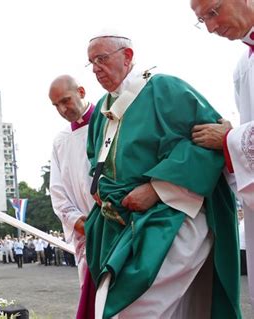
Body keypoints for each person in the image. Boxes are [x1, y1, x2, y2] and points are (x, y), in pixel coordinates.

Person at [77, 31, 240, 319]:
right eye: (91, 62)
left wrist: (157, 189)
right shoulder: (102, 110)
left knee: (133, 308)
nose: (96, 68)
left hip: (169, 216)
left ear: (127, 57)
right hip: (117, 221)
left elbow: (209, 143)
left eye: (101, 59)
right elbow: (96, 160)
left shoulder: (165, 89)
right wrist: (100, 186)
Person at [190, 0, 254, 307]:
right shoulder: (243, 66)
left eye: (214, 12)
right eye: (202, 20)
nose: (211, 27)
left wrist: (229, 139)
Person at [48, 75, 96, 284]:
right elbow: (57, 191)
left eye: (66, 100)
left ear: (81, 92)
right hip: (86, 232)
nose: (62, 110)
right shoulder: (61, 140)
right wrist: (78, 222)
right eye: (56, 105)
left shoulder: (111, 122)